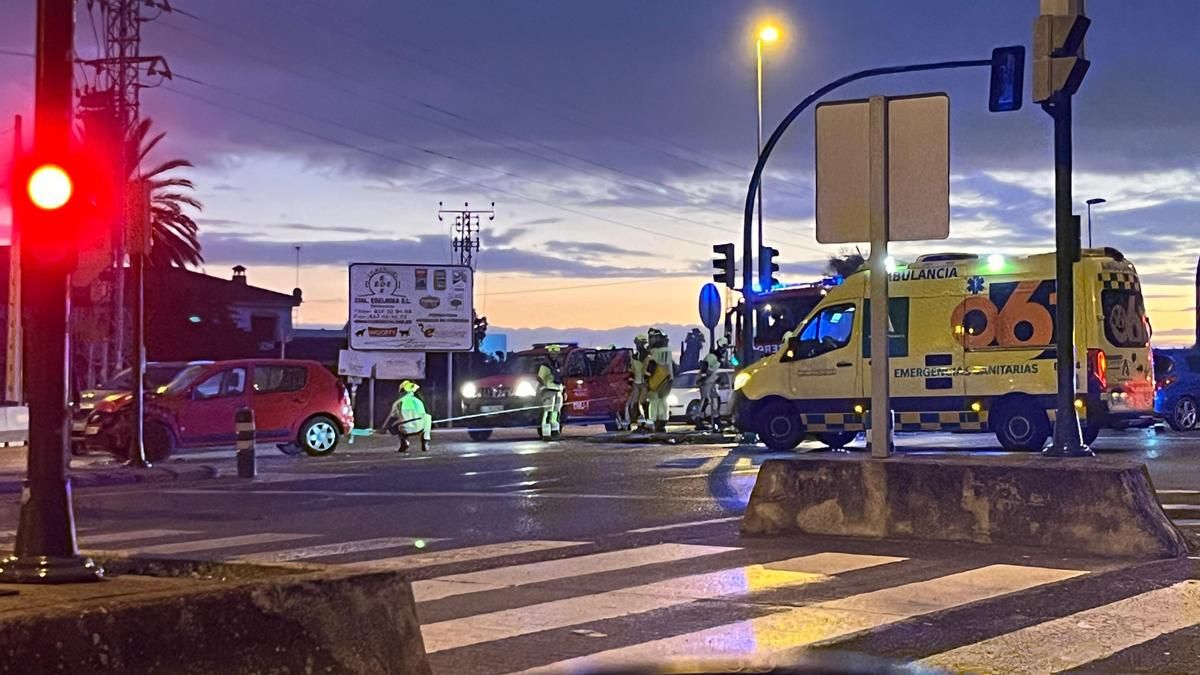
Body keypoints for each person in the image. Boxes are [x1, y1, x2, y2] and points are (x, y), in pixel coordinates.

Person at [383, 380, 431, 453]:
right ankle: (425, 440)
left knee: (395, 422)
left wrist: (384, 428)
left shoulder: (398, 403)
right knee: (427, 417)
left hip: (404, 429)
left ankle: (404, 441)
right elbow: (423, 415)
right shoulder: (418, 401)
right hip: (419, 427)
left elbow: (391, 418)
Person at [644, 328, 675, 433]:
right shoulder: (668, 350)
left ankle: (653, 421)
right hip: (668, 379)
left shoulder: (653, 352)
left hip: (655, 380)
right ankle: (662, 422)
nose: (650, 340)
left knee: (654, 402)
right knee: (663, 401)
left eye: (652, 337)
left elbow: (651, 366)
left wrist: (646, 377)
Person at [697, 336, 728, 429]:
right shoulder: (712, 356)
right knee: (705, 400)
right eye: (724, 347)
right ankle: (699, 418)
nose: (724, 349)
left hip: (712, 381)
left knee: (716, 399)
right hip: (706, 381)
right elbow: (704, 367)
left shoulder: (720, 357)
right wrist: (702, 378)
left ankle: (716, 418)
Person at [619, 334, 649, 430]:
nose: (637, 345)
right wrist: (630, 383)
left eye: (639, 343)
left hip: (644, 383)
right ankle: (634, 421)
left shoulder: (648, 356)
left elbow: (650, 370)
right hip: (636, 383)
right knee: (633, 403)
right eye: (637, 343)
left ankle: (646, 421)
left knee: (643, 402)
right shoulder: (635, 357)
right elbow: (632, 370)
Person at [537, 346, 565, 440]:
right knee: (547, 412)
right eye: (553, 353)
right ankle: (546, 434)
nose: (554, 355)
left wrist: (563, 390)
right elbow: (540, 378)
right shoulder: (545, 365)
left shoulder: (558, 365)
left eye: (556, 353)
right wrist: (544, 387)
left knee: (556, 413)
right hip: (549, 391)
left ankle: (555, 432)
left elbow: (561, 378)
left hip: (558, 391)